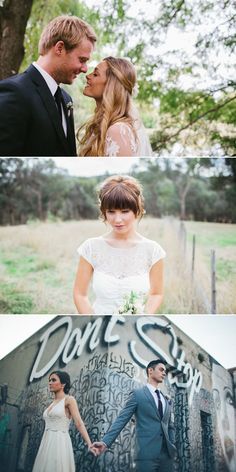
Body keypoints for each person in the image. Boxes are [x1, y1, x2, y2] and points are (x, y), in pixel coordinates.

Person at [0, 15, 96, 156]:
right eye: (82, 60)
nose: (85, 69)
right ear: (60, 48)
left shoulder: (66, 98)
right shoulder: (14, 92)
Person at [73, 175, 165, 314]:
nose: (117, 219)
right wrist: (95, 324)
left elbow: (156, 293)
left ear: (137, 210)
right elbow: (80, 294)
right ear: (104, 212)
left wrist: (143, 317)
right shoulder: (91, 248)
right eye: (111, 212)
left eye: (125, 211)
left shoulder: (153, 251)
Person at [92, 360, 176, 472]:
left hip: (167, 457)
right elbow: (122, 419)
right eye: (161, 370)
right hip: (146, 455)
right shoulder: (138, 394)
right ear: (150, 371)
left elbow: (170, 425)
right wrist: (105, 442)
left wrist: (172, 443)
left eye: (165, 371)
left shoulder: (166, 400)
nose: (164, 373)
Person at [77, 57, 153, 156]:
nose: (87, 76)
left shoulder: (118, 131)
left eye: (95, 74)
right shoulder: (100, 125)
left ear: (111, 85)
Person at [32, 370, 97, 472]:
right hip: (46, 441)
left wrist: (89, 444)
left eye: (53, 380)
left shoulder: (69, 400)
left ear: (63, 384)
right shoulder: (52, 403)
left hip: (59, 441)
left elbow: (79, 423)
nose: (50, 382)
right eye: (49, 380)